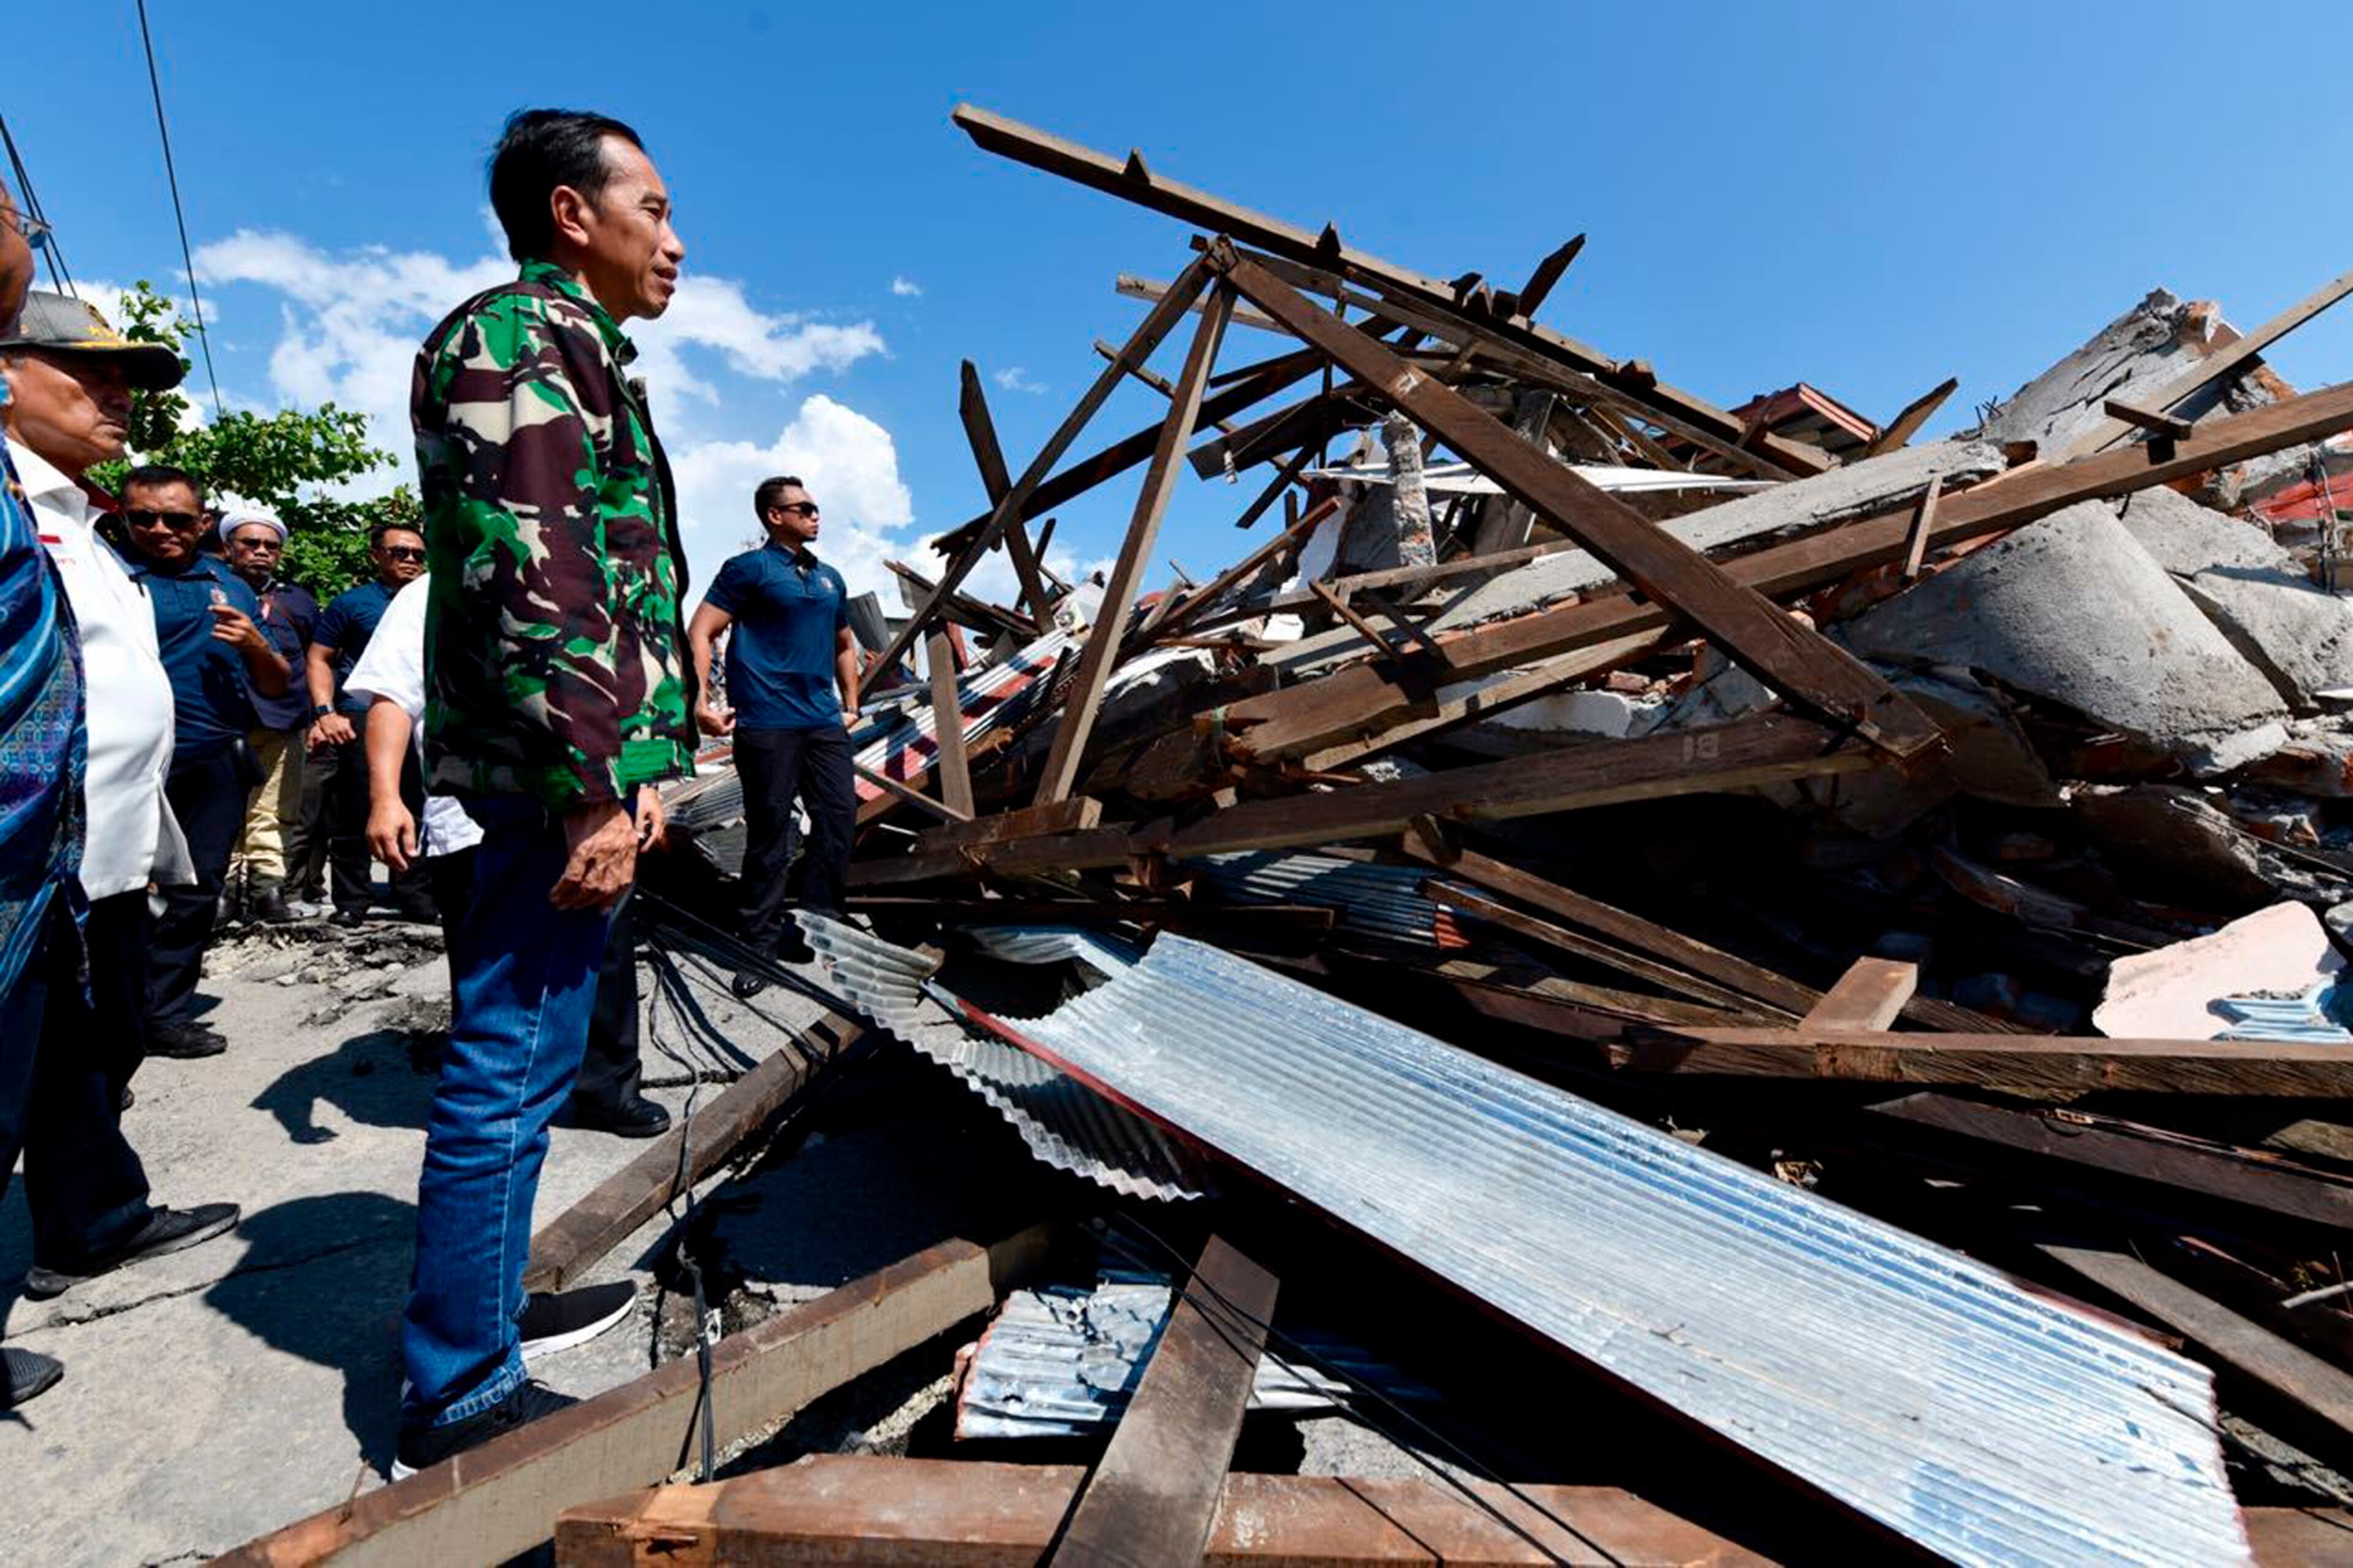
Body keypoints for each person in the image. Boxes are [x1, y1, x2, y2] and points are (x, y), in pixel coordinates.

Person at [394, 107, 695, 1475]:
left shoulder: (579, 351)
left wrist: (645, 771)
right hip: (542, 783)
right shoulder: (518, 338)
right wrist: (589, 790)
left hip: (572, 771)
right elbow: (537, 583)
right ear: (573, 213)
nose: (676, 241)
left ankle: (491, 1312)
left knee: (533, 1063)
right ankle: (456, 1401)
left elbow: (610, 588)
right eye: (655, 207)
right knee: (506, 1070)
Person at [1, 285, 239, 1309]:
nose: (117, 395)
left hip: (95, 854)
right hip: (27, 862)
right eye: (88, 373)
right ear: (4, 377)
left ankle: (94, 1221)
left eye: (124, 378)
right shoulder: (15, 509)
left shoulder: (77, 519)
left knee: (76, 1058)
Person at [350, 575, 673, 1138]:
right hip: (482, 818)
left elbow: (626, 700)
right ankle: (498, 1117)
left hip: (597, 813)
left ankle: (607, 1091)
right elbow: (392, 697)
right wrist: (385, 796)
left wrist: (644, 787)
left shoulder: (585, 580)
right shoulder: (432, 591)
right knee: (492, 974)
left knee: (607, 957)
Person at [115, 466, 292, 1052]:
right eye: (144, 517)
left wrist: (256, 644)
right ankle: (103, 1039)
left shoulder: (233, 586)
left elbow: (275, 683)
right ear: (124, 517)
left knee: (196, 892)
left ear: (205, 523)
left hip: (212, 758)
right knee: (113, 896)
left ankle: (162, 1015)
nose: (161, 529)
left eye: (177, 519)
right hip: (124, 762)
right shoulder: (109, 576)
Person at [686, 476, 858, 998]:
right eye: (802, 507)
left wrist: (852, 704)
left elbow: (845, 642)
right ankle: (757, 945)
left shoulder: (829, 578)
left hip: (822, 720)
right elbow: (702, 629)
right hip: (766, 721)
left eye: (816, 506)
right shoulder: (749, 570)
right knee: (769, 834)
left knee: (838, 820)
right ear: (773, 516)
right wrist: (700, 700)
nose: (814, 514)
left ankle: (820, 926)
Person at [308, 520, 433, 926]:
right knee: (357, 809)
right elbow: (319, 657)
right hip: (360, 715)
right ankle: (352, 900)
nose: (411, 560)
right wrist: (326, 713)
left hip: (419, 717)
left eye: (417, 553)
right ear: (376, 555)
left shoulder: (435, 598)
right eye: (400, 552)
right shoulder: (353, 604)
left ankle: (414, 895)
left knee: (415, 803)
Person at [219, 506, 318, 923]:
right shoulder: (212, 588)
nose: (261, 552)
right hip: (224, 720)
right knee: (224, 809)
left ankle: (268, 891)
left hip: (283, 720)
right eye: (251, 543)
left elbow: (315, 658)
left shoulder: (298, 600)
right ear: (229, 547)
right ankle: (222, 894)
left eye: (270, 546)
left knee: (275, 809)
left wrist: (318, 716)